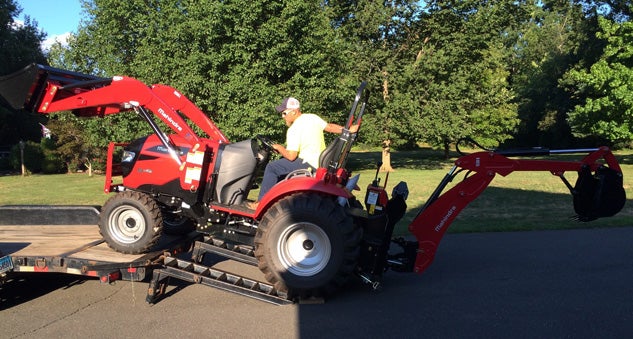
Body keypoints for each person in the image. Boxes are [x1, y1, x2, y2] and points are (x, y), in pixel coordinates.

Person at [246, 96, 358, 210]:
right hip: (318, 164)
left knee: (272, 168)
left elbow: (291, 156)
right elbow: (330, 127)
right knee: (280, 169)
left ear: (294, 112)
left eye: (284, 113)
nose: (282, 116)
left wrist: (279, 148)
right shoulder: (312, 118)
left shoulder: (294, 129)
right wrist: (347, 129)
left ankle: (260, 203)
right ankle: (275, 204)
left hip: (307, 163)